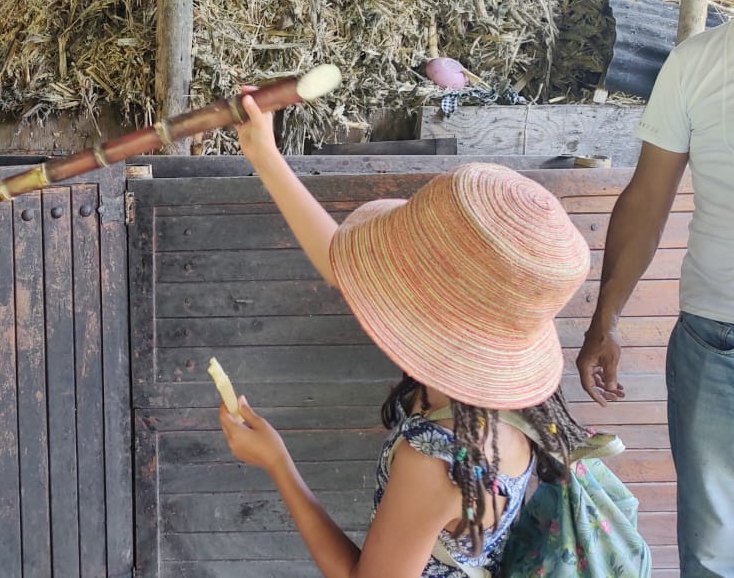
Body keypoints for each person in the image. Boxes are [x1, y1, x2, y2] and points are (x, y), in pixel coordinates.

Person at [219, 93, 594, 577]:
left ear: (429, 316)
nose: (382, 294)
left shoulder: (437, 463)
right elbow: (345, 267)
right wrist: (266, 157)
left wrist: (277, 464)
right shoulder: (503, 402)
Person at [576, 0, 734, 577]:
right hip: (712, 340)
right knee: (708, 549)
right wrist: (603, 318)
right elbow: (646, 197)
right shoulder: (696, 63)